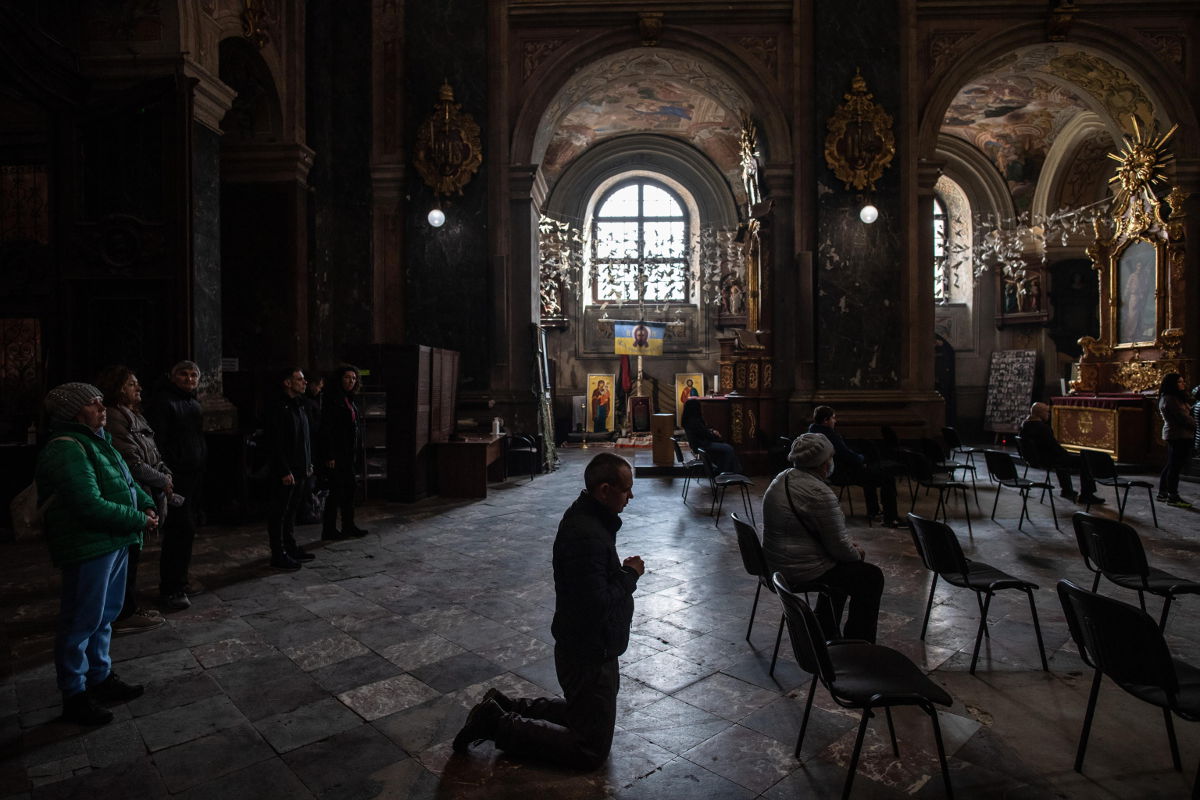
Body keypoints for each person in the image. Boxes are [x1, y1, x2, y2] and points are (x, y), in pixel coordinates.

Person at [452, 453, 643, 769]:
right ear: (605, 490)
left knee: (585, 715)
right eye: (626, 489)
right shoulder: (587, 534)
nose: (631, 496)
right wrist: (629, 576)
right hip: (588, 651)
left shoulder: (591, 519)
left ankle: (505, 706)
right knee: (590, 750)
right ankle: (497, 723)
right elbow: (595, 605)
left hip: (587, 644)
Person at [36, 382, 156, 725]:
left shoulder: (98, 441)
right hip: (88, 545)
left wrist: (145, 503)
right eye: (93, 403)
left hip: (112, 540)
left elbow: (125, 482)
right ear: (73, 413)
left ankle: (100, 677)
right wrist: (138, 519)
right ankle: (74, 693)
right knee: (80, 621)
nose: (102, 409)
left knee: (103, 616)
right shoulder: (66, 447)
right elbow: (88, 504)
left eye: (101, 402)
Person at [762, 433, 884, 643]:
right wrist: (856, 552)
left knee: (844, 571)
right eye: (830, 457)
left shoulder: (782, 477)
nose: (832, 461)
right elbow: (840, 548)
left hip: (776, 562)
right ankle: (859, 643)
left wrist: (846, 550)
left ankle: (826, 626)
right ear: (823, 463)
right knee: (871, 577)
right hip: (798, 569)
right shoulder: (819, 493)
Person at [95, 366, 169, 635]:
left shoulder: (134, 415)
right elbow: (131, 462)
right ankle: (123, 614)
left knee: (133, 557)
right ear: (117, 388)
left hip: (144, 490)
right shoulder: (115, 416)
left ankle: (127, 608)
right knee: (127, 559)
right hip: (129, 493)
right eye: (131, 384)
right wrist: (162, 480)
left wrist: (164, 474)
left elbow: (152, 452)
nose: (138, 388)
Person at [144, 360, 207, 611]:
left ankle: (181, 580)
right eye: (183, 374)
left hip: (192, 477)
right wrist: (166, 476)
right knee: (178, 531)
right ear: (172, 377)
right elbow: (158, 443)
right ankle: (170, 589)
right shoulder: (163, 402)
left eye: (193, 375)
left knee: (187, 531)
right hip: (175, 477)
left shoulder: (193, 402)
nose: (189, 379)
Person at [808, 406, 901, 527]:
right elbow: (847, 456)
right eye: (833, 418)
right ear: (826, 420)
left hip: (829, 472)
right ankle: (891, 518)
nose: (835, 421)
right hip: (842, 473)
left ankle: (874, 512)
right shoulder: (830, 436)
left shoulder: (811, 433)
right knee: (887, 478)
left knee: (870, 474)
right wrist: (862, 459)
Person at [264, 367, 314, 570]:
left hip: (300, 468)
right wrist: (284, 470)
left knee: (292, 511)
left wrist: (308, 463)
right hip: (286, 471)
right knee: (279, 513)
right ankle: (278, 553)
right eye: (300, 379)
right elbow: (275, 442)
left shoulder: (299, 405)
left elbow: (304, 438)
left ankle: (290, 547)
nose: (305, 382)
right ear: (287, 382)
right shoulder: (278, 407)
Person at [1019, 402, 1104, 505]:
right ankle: (1087, 495)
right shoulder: (1043, 428)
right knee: (1084, 460)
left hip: (1034, 459)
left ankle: (1067, 490)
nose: (1048, 414)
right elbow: (1054, 448)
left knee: (1062, 460)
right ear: (1040, 413)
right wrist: (1067, 454)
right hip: (1046, 460)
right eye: (1047, 412)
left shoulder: (1024, 426)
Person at [319, 364, 367, 540]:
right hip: (337, 454)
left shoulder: (349, 399)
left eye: (354, 378)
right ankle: (329, 530)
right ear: (340, 379)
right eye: (347, 377)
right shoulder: (332, 399)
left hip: (349, 454)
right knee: (336, 492)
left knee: (349, 490)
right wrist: (329, 455)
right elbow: (327, 429)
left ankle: (349, 525)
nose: (351, 381)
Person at [1157, 373, 1196, 508]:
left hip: (1178, 434)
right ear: (1172, 384)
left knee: (1171, 464)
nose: (1183, 384)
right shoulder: (1170, 399)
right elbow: (1182, 418)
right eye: (1179, 382)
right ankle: (1172, 496)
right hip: (1178, 435)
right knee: (1175, 467)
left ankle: (1163, 492)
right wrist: (1196, 424)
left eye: (1183, 381)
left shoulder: (1174, 398)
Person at [681, 397, 741, 475]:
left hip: (699, 444)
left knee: (724, 451)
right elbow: (706, 435)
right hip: (702, 445)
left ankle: (727, 471)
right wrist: (716, 436)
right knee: (729, 449)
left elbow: (703, 431)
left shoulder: (689, 420)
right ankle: (727, 473)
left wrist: (712, 432)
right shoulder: (694, 421)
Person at [297, 375, 326, 525]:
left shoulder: (307, 402)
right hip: (310, 448)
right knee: (308, 482)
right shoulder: (307, 404)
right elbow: (312, 427)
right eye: (319, 386)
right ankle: (306, 512)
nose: (319, 389)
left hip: (311, 447)